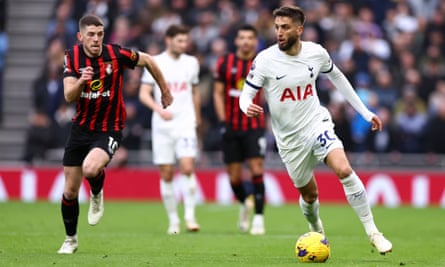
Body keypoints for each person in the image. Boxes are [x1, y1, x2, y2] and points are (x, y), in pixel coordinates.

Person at [239, 6, 392, 254]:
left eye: (285, 27)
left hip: (316, 123)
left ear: (299, 30)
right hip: (290, 140)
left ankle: (374, 232)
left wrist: (365, 112)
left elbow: (339, 79)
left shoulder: (316, 53)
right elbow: (245, 96)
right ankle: (317, 230)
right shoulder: (265, 60)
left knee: (344, 168)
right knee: (310, 196)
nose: (279, 32)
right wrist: (246, 106)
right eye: (277, 27)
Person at [58, 14, 172, 254]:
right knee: (69, 190)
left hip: (110, 127)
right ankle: (71, 239)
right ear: (81, 37)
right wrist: (81, 82)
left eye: (100, 34)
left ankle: (97, 192)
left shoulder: (116, 54)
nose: (96, 39)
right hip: (81, 128)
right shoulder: (72, 56)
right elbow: (69, 96)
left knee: (90, 168)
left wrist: (164, 89)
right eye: (91, 34)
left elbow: (149, 60)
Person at [139, 24, 201, 235]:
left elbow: (194, 92)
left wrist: (197, 118)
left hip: (185, 123)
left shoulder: (192, 63)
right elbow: (144, 93)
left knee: (187, 167)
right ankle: (173, 221)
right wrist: (158, 109)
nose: (184, 45)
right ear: (168, 40)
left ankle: (190, 217)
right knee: (166, 174)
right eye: (180, 41)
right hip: (163, 126)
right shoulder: (156, 62)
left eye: (186, 41)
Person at [213, 25, 267, 235]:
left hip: (254, 126)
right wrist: (223, 122)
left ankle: (259, 219)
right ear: (236, 41)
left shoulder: (262, 63)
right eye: (242, 37)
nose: (246, 41)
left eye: (250, 38)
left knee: (257, 169)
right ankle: (245, 202)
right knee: (234, 178)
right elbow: (218, 93)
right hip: (231, 127)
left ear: (255, 41)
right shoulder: (224, 63)